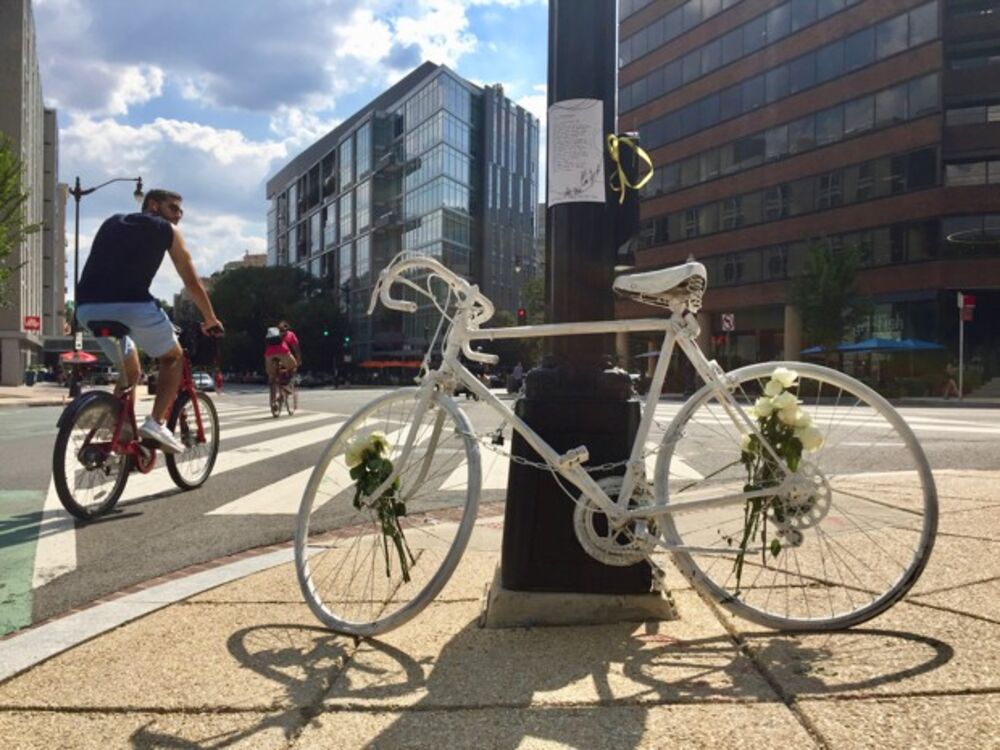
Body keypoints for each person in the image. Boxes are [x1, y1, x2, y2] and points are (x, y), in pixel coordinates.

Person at [75, 188, 224, 454]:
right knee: (172, 357)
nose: (178, 216)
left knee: (130, 373)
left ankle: (120, 433)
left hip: (87, 309)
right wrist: (210, 317)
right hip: (132, 306)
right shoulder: (167, 230)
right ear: (153, 205)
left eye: (181, 212)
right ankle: (156, 423)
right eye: (173, 208)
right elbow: (190, 281)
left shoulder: (111, 221)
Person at [264, 320, 300, 406]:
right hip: (283, 352)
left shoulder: (272, 334)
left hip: (269, 355)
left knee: (272, 378)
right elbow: (296, 348)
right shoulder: (290, 334)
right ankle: (286, 386)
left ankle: (273, 403)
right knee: (293, 366)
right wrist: (298, 359)